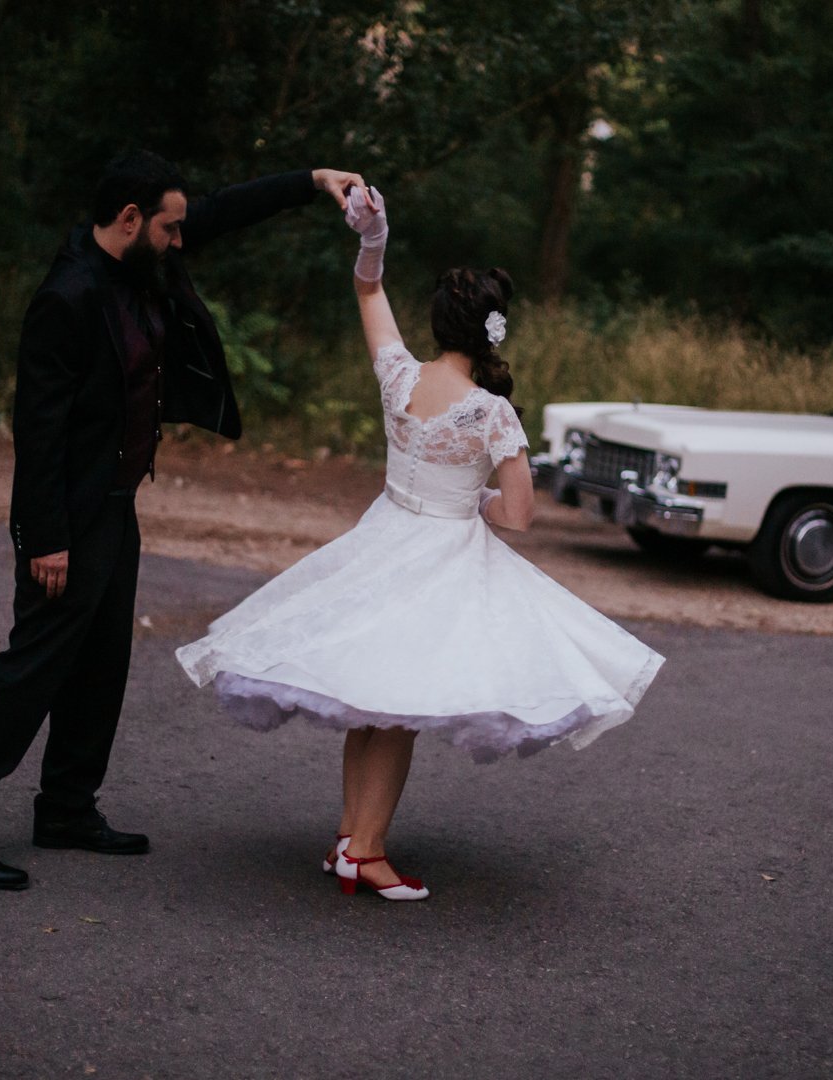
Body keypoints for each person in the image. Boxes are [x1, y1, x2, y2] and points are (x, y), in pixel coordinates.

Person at [175, 186, 664, 901]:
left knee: (372, 701)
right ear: (493, 332)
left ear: (439, 324)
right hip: (441, 556)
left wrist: (374, 236)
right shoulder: (492, 414)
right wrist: (476, 498)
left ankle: (350, 841)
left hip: (382, 539)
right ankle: (367, 853)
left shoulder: (398, 373)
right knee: (398, 709)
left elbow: (367, 286)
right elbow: (520, 516)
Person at [0, 150, 370, 890]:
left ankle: (65, 808)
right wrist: (47, 539)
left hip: (117, 506)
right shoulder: (68, 297)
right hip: (70, 518)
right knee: (33, 668)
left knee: (100, 665)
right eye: (169, 227)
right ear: (130, 220)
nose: (182, 239)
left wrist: (313, 182)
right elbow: (39, 432)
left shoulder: (150, 260)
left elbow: (218, 210)